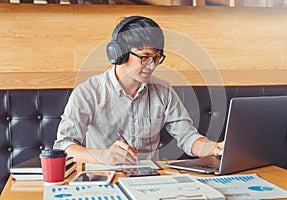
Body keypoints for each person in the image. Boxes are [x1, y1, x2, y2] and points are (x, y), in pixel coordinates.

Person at [53, 15, 223, 165]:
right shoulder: (88, 92)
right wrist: (103, 156)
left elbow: (188, 138)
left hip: (150, 181)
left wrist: (214, 148)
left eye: (156, 58)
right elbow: (63, 146)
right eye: (144, 57)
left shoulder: (163, 91)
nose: (152, 65)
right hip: (103, 180)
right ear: (119, 54)